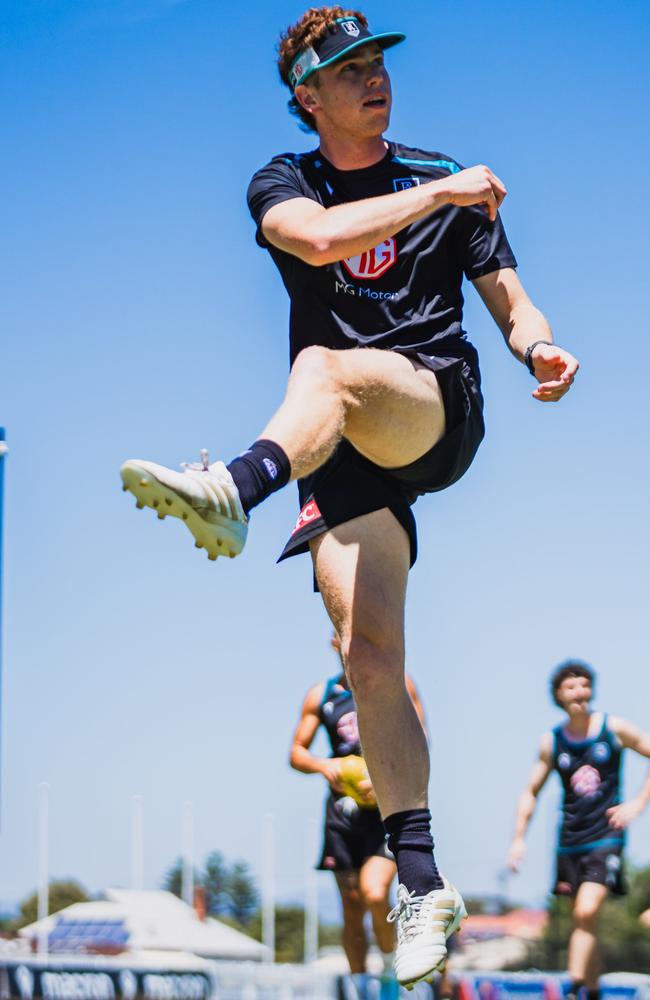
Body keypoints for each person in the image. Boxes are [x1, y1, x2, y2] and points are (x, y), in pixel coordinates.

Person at [121, 6, 579, 988]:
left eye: (378, 62)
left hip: (427, 404)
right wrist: (436, 197)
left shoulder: (439, 178)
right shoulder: (284, 184)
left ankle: (236, 486)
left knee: (325, 367)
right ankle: (421, 879)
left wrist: (537, 344)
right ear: (306, 96)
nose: (373, 78)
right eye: (348, 69)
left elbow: (509, 296)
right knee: (367, 657)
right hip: (337, 455)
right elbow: (320, 242)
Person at [507, 661, 650, 1000]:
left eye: (585, 685)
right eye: (571, 687)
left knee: (587, 911)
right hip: (569, 842)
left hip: (607, 836)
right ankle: (593, 990)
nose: (580, 693)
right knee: (585, 924)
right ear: (558, 696)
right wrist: (518, 840)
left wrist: (637, 804)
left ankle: (572, 988)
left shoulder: (613, 729)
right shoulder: (552, 742)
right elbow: (530, 791)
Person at [290, 633, 427, 975]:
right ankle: (359, 984)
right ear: (335, 643)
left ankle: (388, 964)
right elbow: (296, 752)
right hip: (343, 815)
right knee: (351, 907)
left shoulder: (398, 684)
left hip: (387, 809)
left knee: (375, 890)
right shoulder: (321, 696)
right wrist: (325, 766)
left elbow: (419, 741)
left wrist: (384, 775)